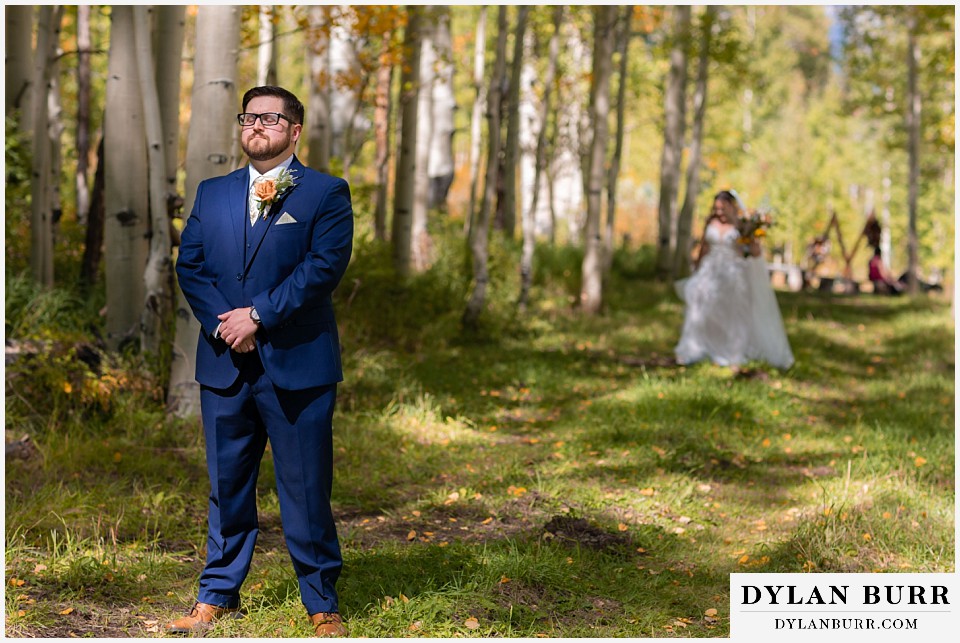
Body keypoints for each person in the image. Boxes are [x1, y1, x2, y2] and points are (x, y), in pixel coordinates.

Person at [169, 86, 353, 637]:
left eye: (270, 118)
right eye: (249, 117)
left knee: (304, 484)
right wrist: (228, 325)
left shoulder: (325, 192)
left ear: (295, 131)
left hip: (298, 363)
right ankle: (218, 594)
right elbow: (191, 267)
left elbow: (323, 268)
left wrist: (259, 317)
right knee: (227, 485)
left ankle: (322, 602)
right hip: (225, 361)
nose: (257, 126)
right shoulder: (212, 192)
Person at [674, 190, 794, 369]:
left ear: (732, 206)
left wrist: (749, 239)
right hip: (710, 271)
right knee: (699, 307)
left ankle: (732, 352)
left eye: (722, 208)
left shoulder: (743, 225)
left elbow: (755, 253)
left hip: (733, 274)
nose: (719, 212)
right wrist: (696, 268)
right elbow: (704, 247)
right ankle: (693, 348)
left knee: (734, 313)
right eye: (716, 208)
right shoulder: (711, 222)